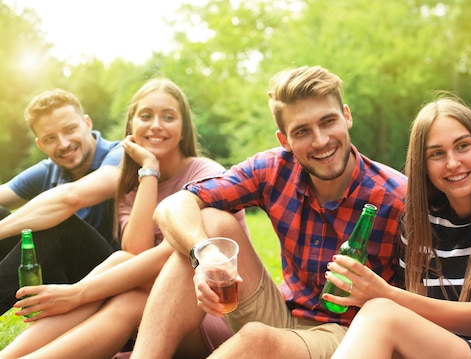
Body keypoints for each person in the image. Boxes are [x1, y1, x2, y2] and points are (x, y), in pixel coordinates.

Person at [128, 65, 407, 359]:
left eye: (328, 122)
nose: (321, 140)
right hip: (285, 315)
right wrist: (204, 256)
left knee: (258, 340)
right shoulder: (274, 169)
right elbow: (174, 204)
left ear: (346, 116)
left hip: (351, 335)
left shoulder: (395, 197)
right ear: (284, 139)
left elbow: (421, 307)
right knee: (209, 225)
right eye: (302, 131)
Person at [0, 78, 241, 359]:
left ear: (183, 126)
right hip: (140, 292)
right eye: (146, 116)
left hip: (206, 307)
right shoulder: (134, 183)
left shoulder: (207, 174)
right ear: (132, 128)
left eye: (168, 117)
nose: (156, 125)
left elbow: (167, 257)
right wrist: (149, 170)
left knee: (124, 285)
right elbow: (135, 252)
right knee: (122, 265)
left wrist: (78, 293)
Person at [329, 97, 471, 358]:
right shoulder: (419, 224)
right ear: (423, 165)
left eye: (462, 146)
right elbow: (414, 320)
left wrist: (384, 294)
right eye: (437, 154)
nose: (452, 163)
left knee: (381, 312)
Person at [0, 89, 122, 315]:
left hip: (115, 277)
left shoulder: (121, 154)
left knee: (59, 225)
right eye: (50, 139)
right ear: (40, 145)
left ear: (86, 123)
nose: (64, 144)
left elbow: (70, 198)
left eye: (70, 130)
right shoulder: (49, 169)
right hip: (68, 277)